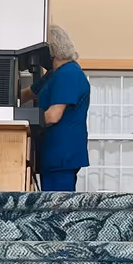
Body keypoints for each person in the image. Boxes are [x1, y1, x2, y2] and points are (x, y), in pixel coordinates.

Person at [33, 24, 91, 192]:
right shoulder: (54, 74)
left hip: (61, 155)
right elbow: (29, 93)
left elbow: (53, 115)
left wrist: (22, 120)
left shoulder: (69, 73)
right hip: (52, 154)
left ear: (51, 50)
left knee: (57, 210)